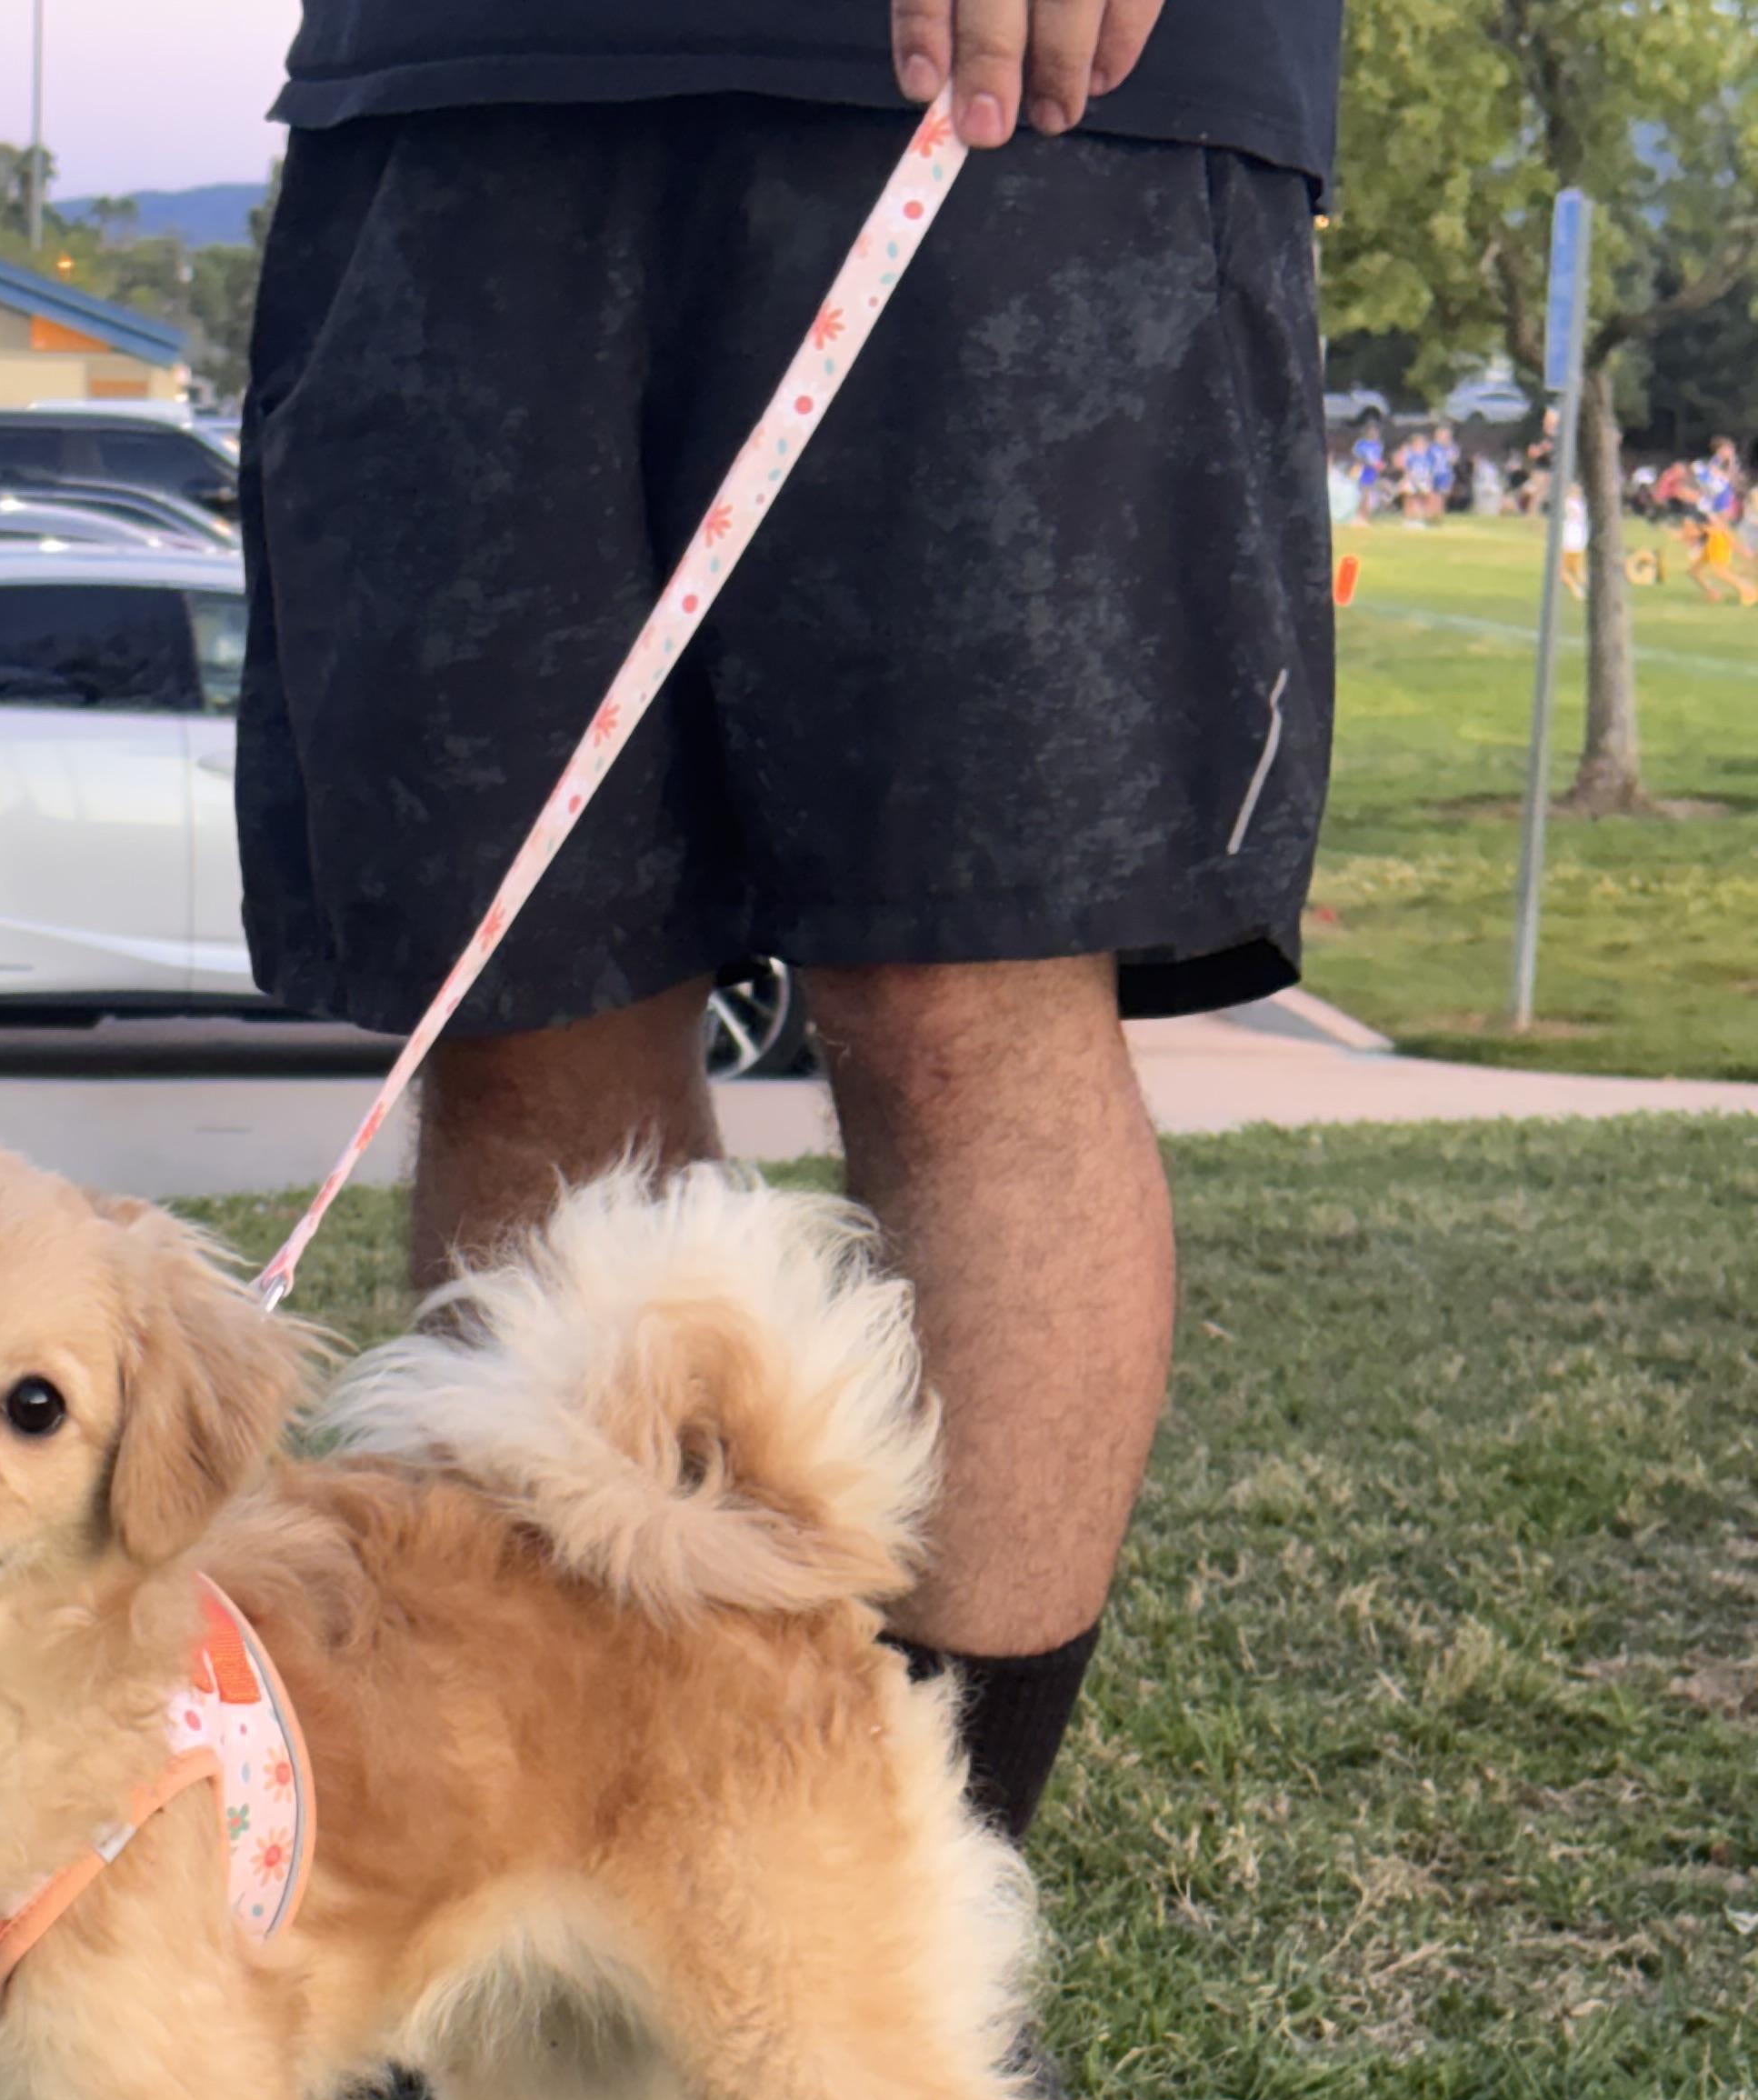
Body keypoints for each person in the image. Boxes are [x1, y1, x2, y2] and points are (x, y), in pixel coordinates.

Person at [241, 0, 1341, 1875]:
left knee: (963, 994)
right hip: (470, 77)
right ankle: (580, 1903)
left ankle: (899, 1926)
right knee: (528, 1023)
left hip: (1028, 95)